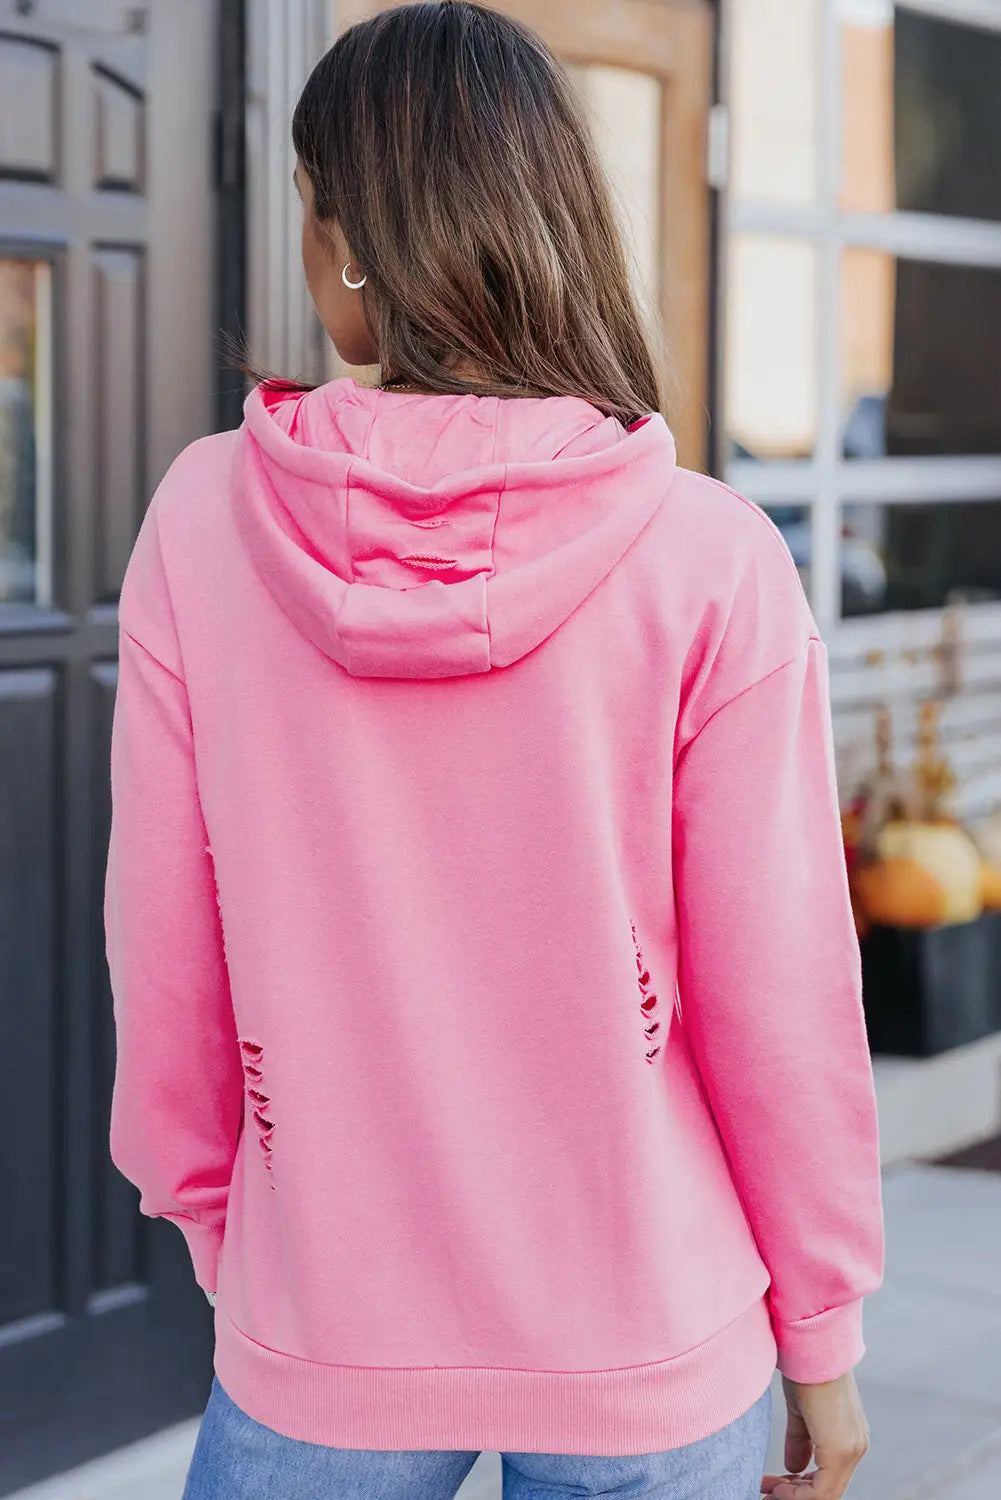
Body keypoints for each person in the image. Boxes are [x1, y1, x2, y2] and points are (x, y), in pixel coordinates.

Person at [103, 4, 884, 1497]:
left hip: (323, 1310)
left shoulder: (200, 524)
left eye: (309, 204)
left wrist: (223, 1224)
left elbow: (165, 938)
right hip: (650, 1322)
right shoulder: (709, 556)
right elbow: (777, 986)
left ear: (350, 242)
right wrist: (820, 1328)